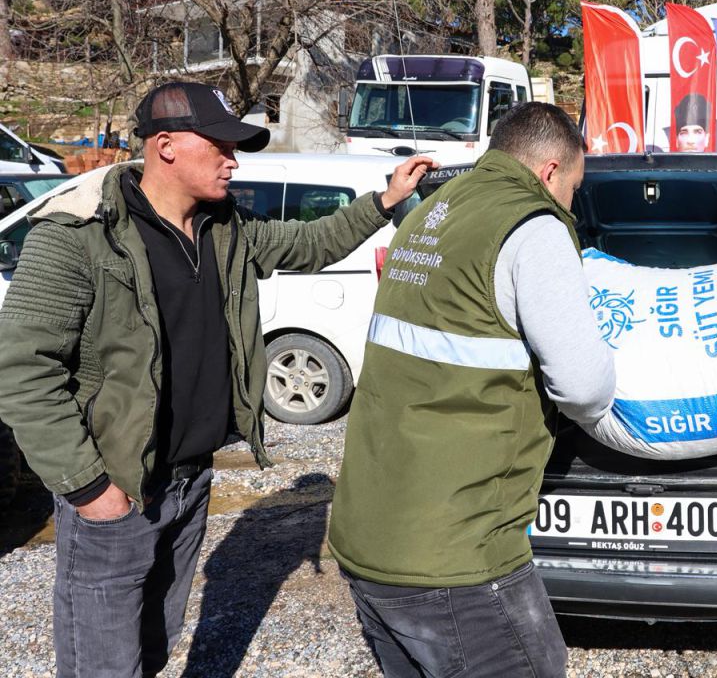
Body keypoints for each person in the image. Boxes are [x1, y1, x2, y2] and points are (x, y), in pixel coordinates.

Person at [0, 81, 436, 677]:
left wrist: (384, 201)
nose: (234, 159)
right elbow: (22, 370)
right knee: (103, 664)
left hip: (190, 481)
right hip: (118, 488)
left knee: (154, 646)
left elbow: (308, 244)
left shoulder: (222, 228)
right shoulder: (79, 233)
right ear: (167, 146)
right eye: (221, 145)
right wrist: (87, 489)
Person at [328, 101, 614, 678]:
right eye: (574, 188)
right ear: (550, 171)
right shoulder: (530, 225)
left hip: (370, 535)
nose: (570, 203)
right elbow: (584, 387)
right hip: (457, 554)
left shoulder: (432, 211)